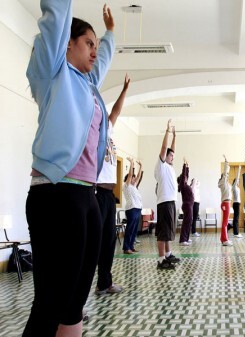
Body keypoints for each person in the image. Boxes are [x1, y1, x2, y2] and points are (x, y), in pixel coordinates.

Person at [24, 1, 115, 336]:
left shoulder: (88, 88)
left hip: (86, 196)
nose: (94, 51)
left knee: (75, 302)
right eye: (88, 43)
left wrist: (110, 35)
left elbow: (102, 61)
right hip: (55, 193)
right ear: (68, 43)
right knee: (50, 302)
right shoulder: (53, 74)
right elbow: (56, 19)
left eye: (95, 45)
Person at [95, 74, 130, 295]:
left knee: (108, 241)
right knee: (94, 242)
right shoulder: (93, 131)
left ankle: (104, 284)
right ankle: (78, 299)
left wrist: (124, 90)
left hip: (108, 195)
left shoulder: (108, 129)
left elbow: (115, 111)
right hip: (96, 192)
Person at [154, 119, 181, 269]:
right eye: (171, 156)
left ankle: (169, 254)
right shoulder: (161, 164)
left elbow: (172, 150)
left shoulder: (170, 167)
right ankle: (161, 259)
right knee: (163, 232)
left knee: (169, 230)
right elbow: (165, 148)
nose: (172, 157)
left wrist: (175, 137)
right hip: (164, 202)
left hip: (170, 201)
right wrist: (168, 132)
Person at [122, 158, 143, 254]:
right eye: (132, 178)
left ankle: (131, 246)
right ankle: (126, 248)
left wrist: (141, 166)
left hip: (137, 209)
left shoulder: (134, 186)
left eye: (134, 178)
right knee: (130, 228)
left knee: (134, 230)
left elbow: (138, 176)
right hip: (131, 209)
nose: (134, 179)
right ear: (128, 179)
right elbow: (130, 174)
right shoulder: (126, 186)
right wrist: (131, 164)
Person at [178, 159, 195, 246]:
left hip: (190, 205)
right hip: (187, 205)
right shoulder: (182, 185)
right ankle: (182, 240)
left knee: (189, 222)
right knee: (186, 222)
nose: (186, 178)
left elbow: (186, 175)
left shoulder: (185, 184)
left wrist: (187, 167)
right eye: (184, 177)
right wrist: (184, 165)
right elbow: (184, 174)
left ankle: (186, 238)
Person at [218, 155, 233, 246]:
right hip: (225, 203)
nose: (227, 176)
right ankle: (224, 240)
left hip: (227, 203)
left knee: (226, 222)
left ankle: (223, 238)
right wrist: (227, 163)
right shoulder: (223, 182)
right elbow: (225, 173)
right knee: (225, 222)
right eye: (226, 176)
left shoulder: (226, 183)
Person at [231, 166, 243, 238]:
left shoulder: (236, 187)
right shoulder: (234, 187)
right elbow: (237, 177)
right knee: (236, 218)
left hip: (237, 203)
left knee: (236, 218)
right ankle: (236, 233)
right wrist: (239, 169)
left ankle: (235, 232)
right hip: (236, 203)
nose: (238, 182)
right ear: (235, 182)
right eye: (237, 181)